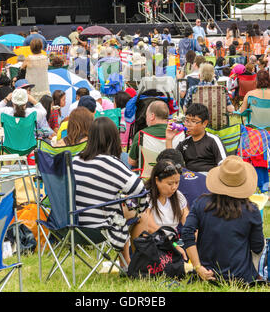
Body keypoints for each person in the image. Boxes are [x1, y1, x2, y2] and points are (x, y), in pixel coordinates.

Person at [72, 117, 148, 267]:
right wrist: (140, 207)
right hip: (98, 225)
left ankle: (126, 262)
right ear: (114, 138)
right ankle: (131, 263)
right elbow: (140, 189)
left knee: (119, 207)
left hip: (73, 223)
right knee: (139, 213)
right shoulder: (111, 163)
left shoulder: (76, 159)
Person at [181, 156, 265, 284]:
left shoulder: (200, 203)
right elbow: (257, 247)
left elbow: (187, 233)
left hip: (206, 275)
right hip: (240, 277)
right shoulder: (252, 210)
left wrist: (198, 267)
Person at [166, 103, 227, 174]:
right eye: (187, 120)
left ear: (204, 123)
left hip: (209, 177)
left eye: (193, 121)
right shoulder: (184, 143)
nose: (188, 124)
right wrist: (169, 139)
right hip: (189, 177)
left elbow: (224, 164)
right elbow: (171, 164)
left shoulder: (213, 140)